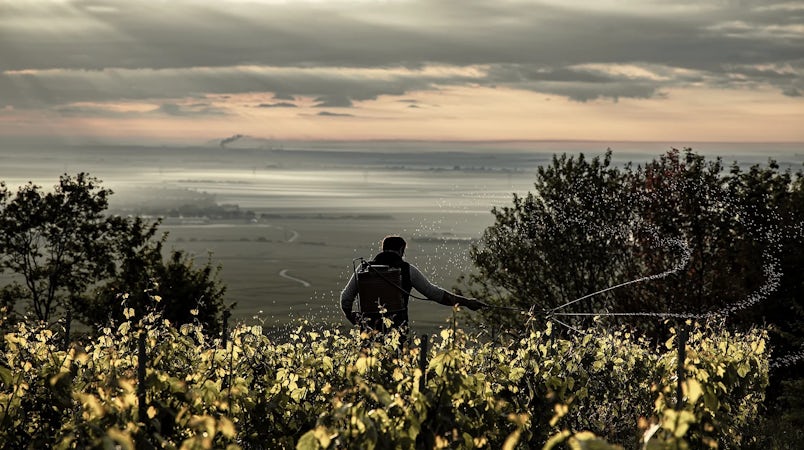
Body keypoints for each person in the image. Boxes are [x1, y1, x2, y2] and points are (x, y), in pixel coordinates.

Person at [340, 235, 485, 334]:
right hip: (397, 331)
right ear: (401, 250)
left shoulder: (364, 268)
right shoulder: (407, 270)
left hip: (368, 331)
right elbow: (434, 294)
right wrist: (467, 302)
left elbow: (346, 299)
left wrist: (354, 318)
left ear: (383, 248)